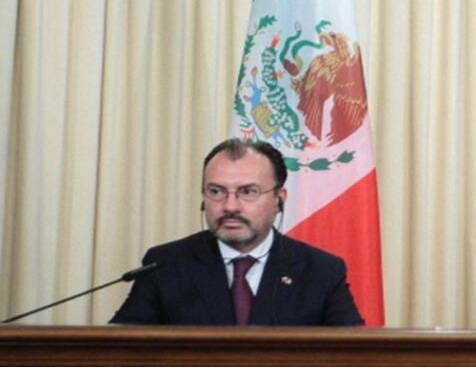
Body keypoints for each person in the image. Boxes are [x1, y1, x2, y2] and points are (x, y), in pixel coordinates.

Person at [111, 138, 363, 326]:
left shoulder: (320, 271)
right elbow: (120, 350)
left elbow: (353, 357)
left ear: (279, 199)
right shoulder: (165, 265)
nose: (230, 206)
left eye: (248, 191)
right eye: (216, 191)